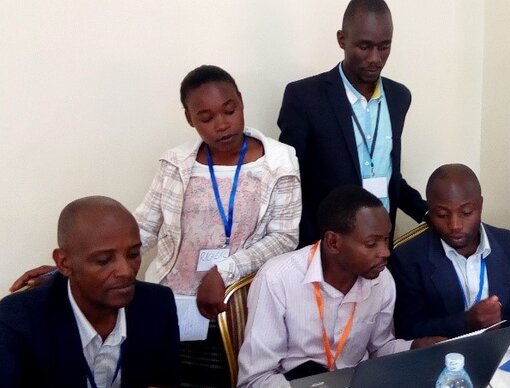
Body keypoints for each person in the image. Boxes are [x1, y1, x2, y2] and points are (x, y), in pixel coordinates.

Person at [9, 65, 302, 387]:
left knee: (226, 378)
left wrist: (224, 271)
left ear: (241, 103)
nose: (222, 124)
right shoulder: (175, 163)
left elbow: (284, 237)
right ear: (190, 119)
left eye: (229, 110)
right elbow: (140, 230)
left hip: (233, 301)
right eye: (205, 118)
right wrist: (66, 271)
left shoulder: (279, 161)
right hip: (175, 302)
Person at [237, 186, 444, 388]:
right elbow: (256, 380)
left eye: (386, 240)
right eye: (372, 244)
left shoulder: (382, 280)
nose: (385, 252)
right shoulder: (277, 279)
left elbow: (379, 349)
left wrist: (415, 347)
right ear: (333, 242)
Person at [277, 0, 427, 247]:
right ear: (342, 39)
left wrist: (428, 214)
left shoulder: (400, 97)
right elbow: (291, 183)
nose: (375, 58)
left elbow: (388, 175)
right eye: (364, 46)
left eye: (384, 47)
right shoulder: (304, 97)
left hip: (379, 247)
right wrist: (311, 249)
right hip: (327, 249)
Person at [0, 196, 180, 387]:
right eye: (104, 260)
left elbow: (164, 382)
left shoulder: (158, 304)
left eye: (133, 254)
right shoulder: (18, 318)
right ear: (64, 263)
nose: (126, 271)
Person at [390, 164, 510, 339]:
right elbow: (408, 331)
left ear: (480, 205)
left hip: (506, 356)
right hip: (444, 360)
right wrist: (465, 322)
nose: (454, 225)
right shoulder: (408, 257)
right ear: (430, 211)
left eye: (466, 213)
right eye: (442, 215)